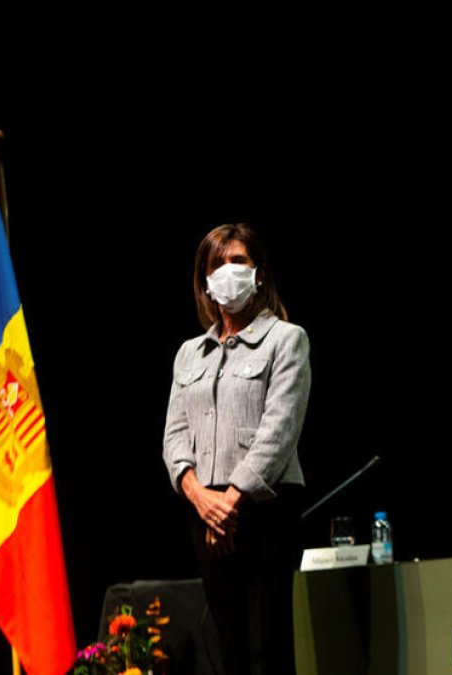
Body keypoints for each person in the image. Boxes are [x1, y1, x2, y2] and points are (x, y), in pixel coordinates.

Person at [162, 223, 311, 675]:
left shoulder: (287, 339)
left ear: (259, 273)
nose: (227, 271)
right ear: (205, 282)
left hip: (264, 509)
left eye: (238, 261)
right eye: (217, 264)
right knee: (229, 649)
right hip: (204, 512)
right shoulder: (190, 353)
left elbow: (279, 430)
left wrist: (230, 502)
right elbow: (174, 437)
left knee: (267, 648)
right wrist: (200, 498)